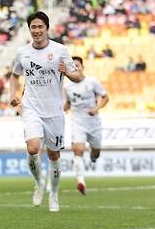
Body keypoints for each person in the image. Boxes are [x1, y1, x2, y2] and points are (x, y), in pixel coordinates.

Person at [9, 11, 82, 212]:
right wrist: (12, 94)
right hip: (31, 107)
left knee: (54, 155)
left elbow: (77, 76)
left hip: (54, 111)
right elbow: (14, 75)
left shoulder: (60, 50)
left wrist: (67, 71)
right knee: (32, 148)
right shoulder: (22, 53)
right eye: (34, 27)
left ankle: (54, 195)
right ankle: (39, 182)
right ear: (29, 29)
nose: (37, 30)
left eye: (41, 26)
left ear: (47, 28)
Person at [64, 56, 109, 195]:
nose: (75, 68)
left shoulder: (92, 82)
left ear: (83, 67)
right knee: (77, 150)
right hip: (77, 122)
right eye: (72, 66)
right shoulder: (67, 87)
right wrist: (60, 111)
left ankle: (94, 156)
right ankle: (81, 182)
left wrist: (96, 108)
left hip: (93, 122)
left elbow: (105, 97)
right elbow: (68, 104)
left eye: (77, 65)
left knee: (96, 151)